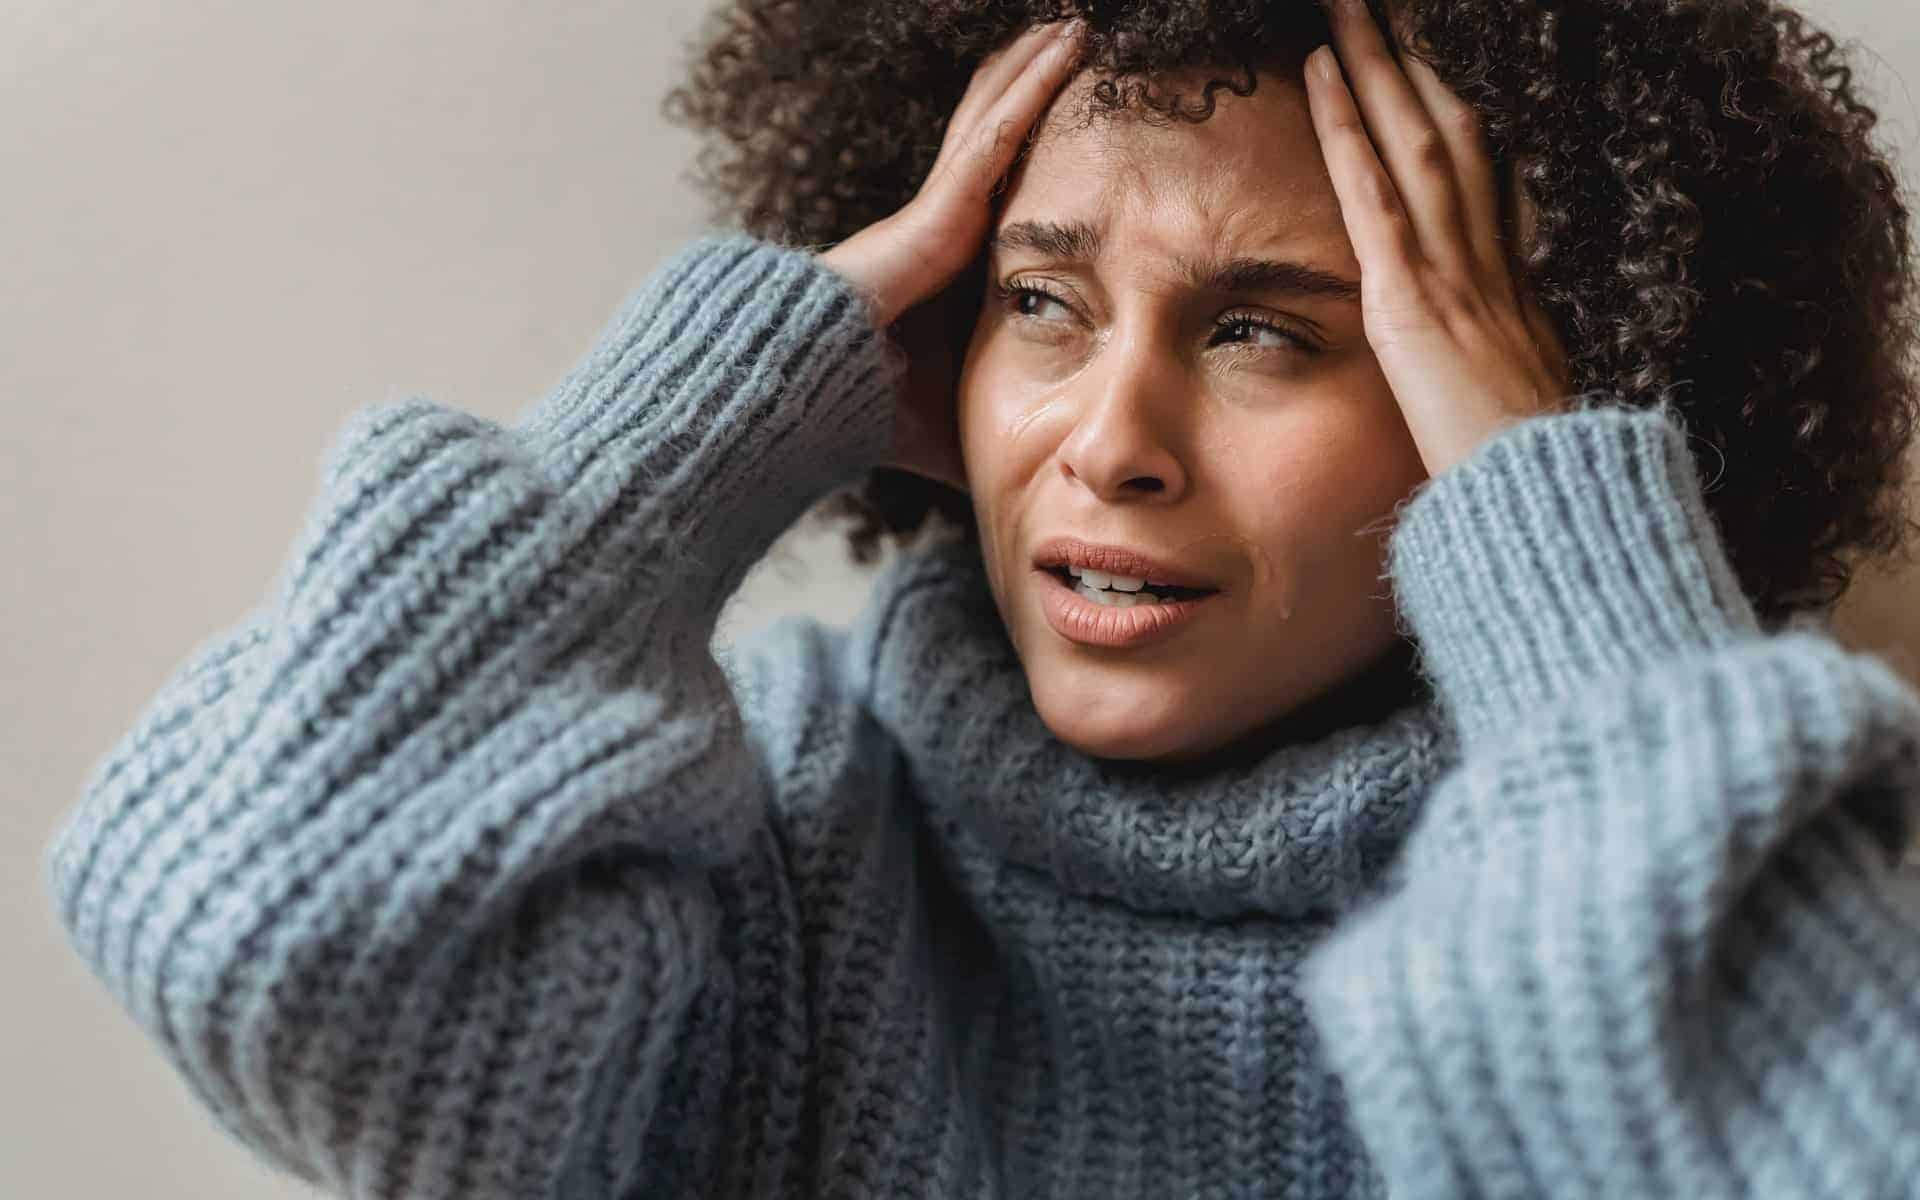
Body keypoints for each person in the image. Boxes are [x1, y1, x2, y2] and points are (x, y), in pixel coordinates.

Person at [43, 0, 1920, 1196]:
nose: (1109, 439)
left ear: (1498, 397)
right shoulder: (772, 841)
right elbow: (254, 938)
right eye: (1039, 302)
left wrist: (1559, 557)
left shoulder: (1742, 889)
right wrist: (699, 422)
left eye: (1262, 330)